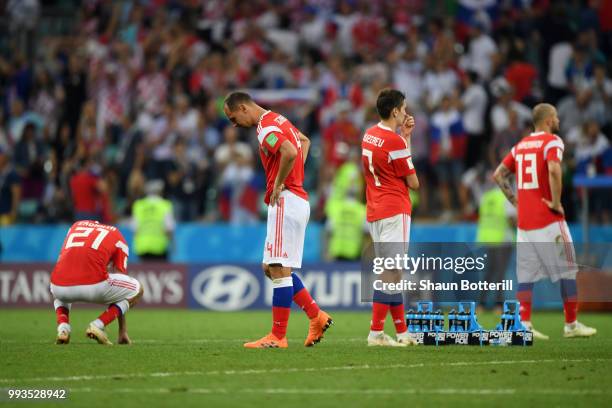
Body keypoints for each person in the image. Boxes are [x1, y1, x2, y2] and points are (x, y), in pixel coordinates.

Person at [223, 91, 332, 349]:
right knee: (271, 267)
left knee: (277, 264)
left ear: (243, 108)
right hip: (296, 199)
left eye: (233, 118)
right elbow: (303, 142)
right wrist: (295, 177)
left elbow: (289, 151)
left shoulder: (264, 127)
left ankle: (278, 336)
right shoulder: (279, 119)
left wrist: (282, 182)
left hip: (286, 200)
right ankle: (316, 316)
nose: (234, 124)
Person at [493, 103, 597, 340]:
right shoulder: (553, 141)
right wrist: (557, 202)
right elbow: (553, 169)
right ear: (549, 120)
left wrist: (516, 201)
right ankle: (571, 324)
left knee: (526, 276)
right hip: (548, 218)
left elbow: (498, 175)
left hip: (525, 222)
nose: (559, 121)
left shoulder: (520, 146)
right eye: (557, 118)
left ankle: (524, 323)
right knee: (568, 270)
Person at [361, 88, 419, 347]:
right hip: (394, 209)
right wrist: (405, 139)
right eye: (404, 108)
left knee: (394, 273)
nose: (406, 112)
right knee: (391, 272)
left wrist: (404, 135)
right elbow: (414, 182)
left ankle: (402, 332)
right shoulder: (394, 142)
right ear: (395, 111)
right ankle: (375, 333)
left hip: (375, 211)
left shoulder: (369, 135)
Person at [49, 220, 143, 345]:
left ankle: (63, 328)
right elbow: (120, 279)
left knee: (61, 285)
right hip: (94, 286)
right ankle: (98, 325)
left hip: (57, 286)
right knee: (137, 289)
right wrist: (122, 330)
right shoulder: (116, 234)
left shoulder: (76, 225)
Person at [131, 179, 175, 261]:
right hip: (160, 247)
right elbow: (169, 228)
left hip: (142, 247)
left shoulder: (138, 205)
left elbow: (134, 228)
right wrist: (173, 244)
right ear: (160, 191)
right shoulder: (165, 205)